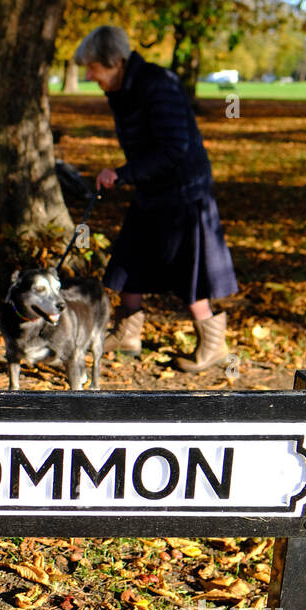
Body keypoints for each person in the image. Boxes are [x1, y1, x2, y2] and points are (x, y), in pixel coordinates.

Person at [72, 25, 238, 372]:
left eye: (93, 67)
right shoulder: (124, 88)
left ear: (114, 61)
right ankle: (128, 335)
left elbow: (174, 148)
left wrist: (123, 173)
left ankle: (214, 344)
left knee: (188, 270)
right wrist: (127, 174)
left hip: (184, 190)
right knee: (129, 258)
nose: (89, 76)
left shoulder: (157, 84)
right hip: (152, 188)